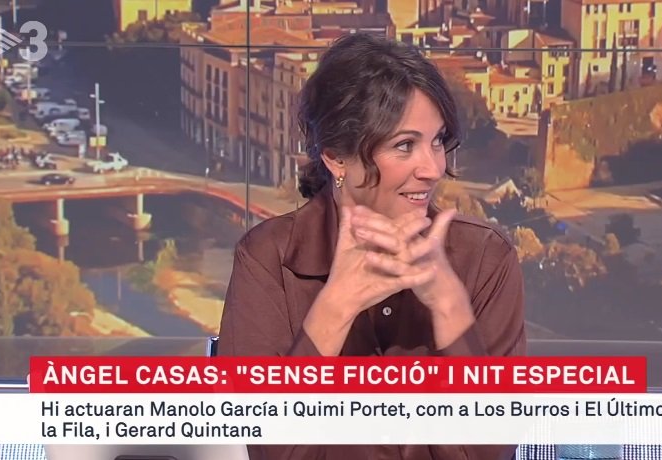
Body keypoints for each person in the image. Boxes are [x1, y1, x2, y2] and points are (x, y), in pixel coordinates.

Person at [217, 32, 527, 460]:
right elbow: (273, 451)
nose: (433, 168)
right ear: (336, 158)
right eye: (405, 145)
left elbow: (488, 451)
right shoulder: (268, 259)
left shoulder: (486, 258)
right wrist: (335, 307)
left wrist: (450, 308)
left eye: (438, 140)